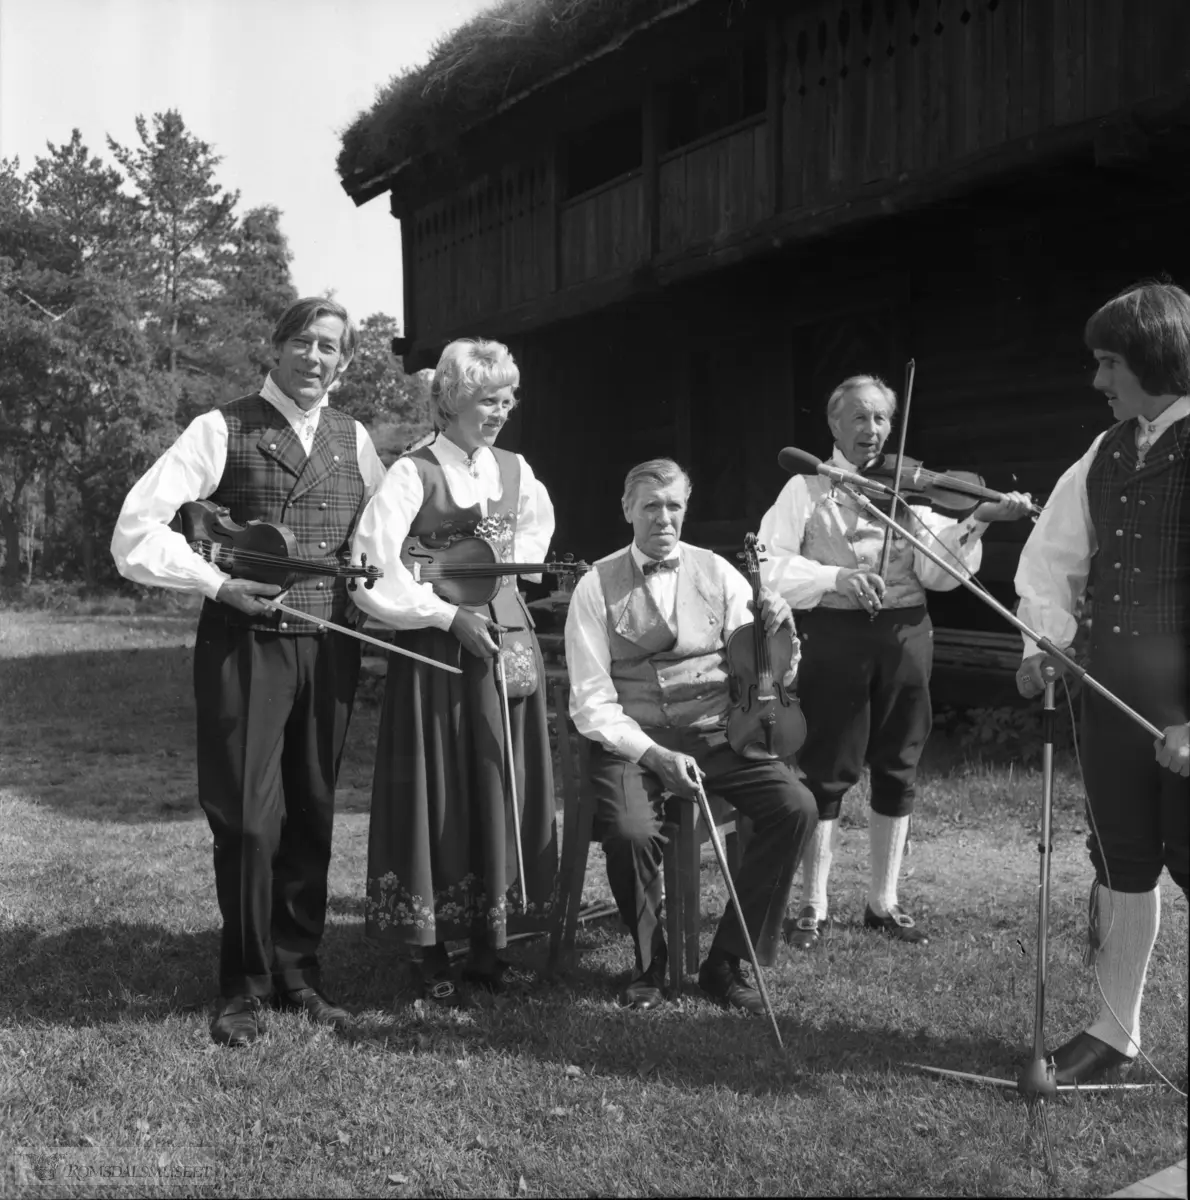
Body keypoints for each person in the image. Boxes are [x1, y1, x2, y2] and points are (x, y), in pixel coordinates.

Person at [111, 296, 387, 1046]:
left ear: (345, 362)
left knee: (312, 810)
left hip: (329, 644)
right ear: (276, 346)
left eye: (331, 347)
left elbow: (381, 540)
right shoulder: (219, 426)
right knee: (247, 820)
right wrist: (216, 584)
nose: (315, 357)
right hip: (244, 643)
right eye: (303, 341)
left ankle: (299, 973)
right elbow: (134, 532)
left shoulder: (356, 438)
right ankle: (243, 982)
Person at [758, 376, 1033, 950]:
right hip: (834, 634)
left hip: (907, 634)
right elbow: (772, 567)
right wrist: (836, 577)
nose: (872, 430)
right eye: (859, 418)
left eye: (882, 419)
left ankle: (883, 902)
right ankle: (814, 903)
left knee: (900, 759)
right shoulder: (803, 489)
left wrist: (979, 519)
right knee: (827, 760)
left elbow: (940, 575)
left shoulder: (914, 489)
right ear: (833, 425)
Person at [564, 458, 818, 1013]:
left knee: (796, 805)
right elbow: (591, 701)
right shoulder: (594, 585)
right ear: (628, 509)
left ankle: (725, 960)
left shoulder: (720, 572)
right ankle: (648, 962)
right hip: (635, 739)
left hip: (716, 732)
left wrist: (779, 628)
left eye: (673, 505)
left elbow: (762, 672)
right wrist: (652, 754)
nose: (663, 517)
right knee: (630, 830)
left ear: (686, 508)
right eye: (650, 505)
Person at [1015, 281, 1189, 1086]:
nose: (1098, 380)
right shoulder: (1105, 452)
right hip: (1113, 697)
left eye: (1109, 362)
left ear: (1155, 358)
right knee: (1123, 862)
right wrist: (1046, 641)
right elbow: (1054, 557)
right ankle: (1114, 1035)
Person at [351, 338, 558, 1006]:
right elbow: (372, 571)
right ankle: (430, 947)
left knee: (501, 779)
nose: (497, 411)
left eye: (505, 399)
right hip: (440, 649)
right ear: (449, 400)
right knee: (441, 787)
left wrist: (494, 595)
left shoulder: (517, 471)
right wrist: (445, 615)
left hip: (505, 643)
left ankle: (492, 946)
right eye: (483, 399)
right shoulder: (412, 473)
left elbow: (526, 557)